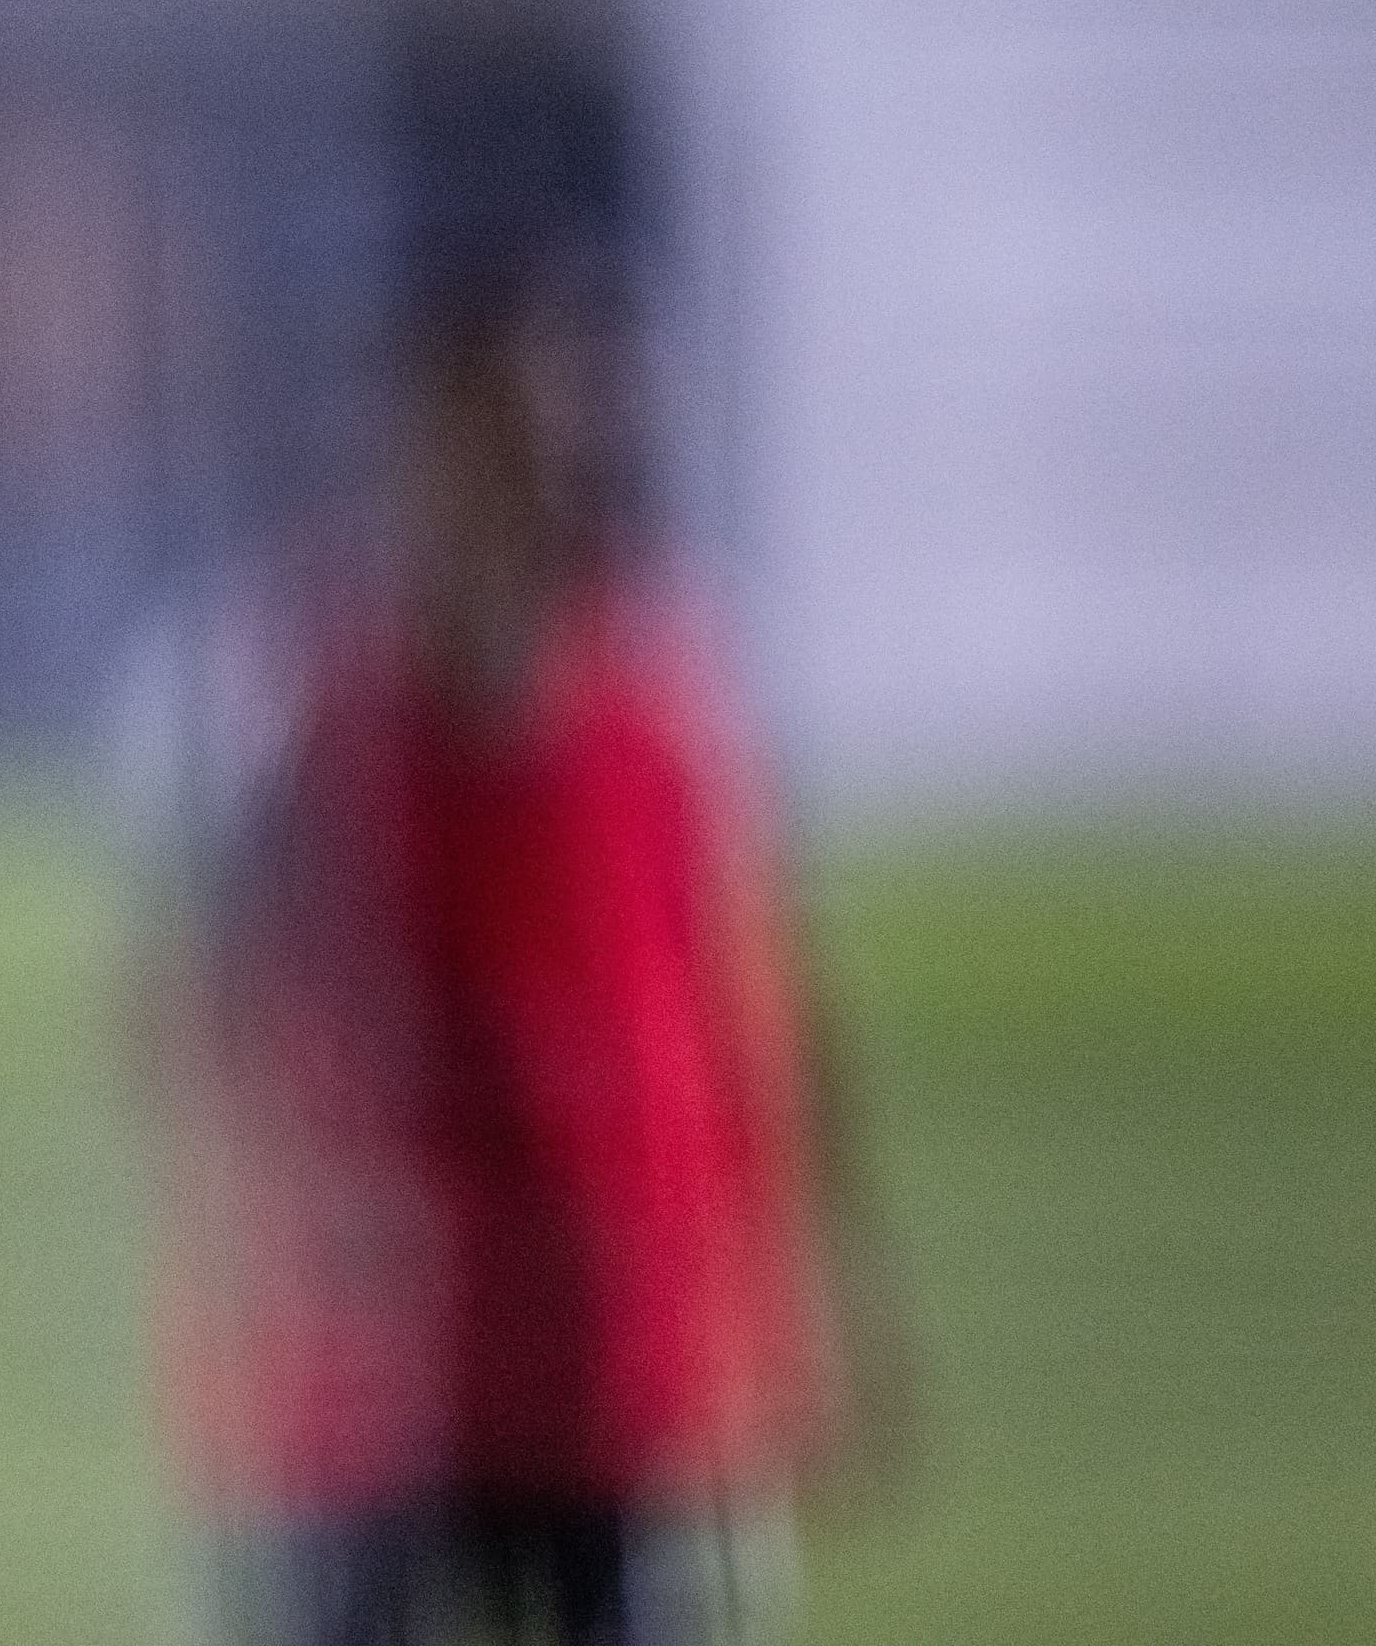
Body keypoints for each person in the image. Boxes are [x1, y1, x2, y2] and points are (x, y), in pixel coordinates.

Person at [149, 256, 856, 1646]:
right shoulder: (318, 706)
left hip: (618, 1342)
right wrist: (264, 1235)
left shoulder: (666, 697)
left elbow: (748, 1006)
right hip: (385, 1365)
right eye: (483, 427)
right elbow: (219, 997)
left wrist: (804, 1304)